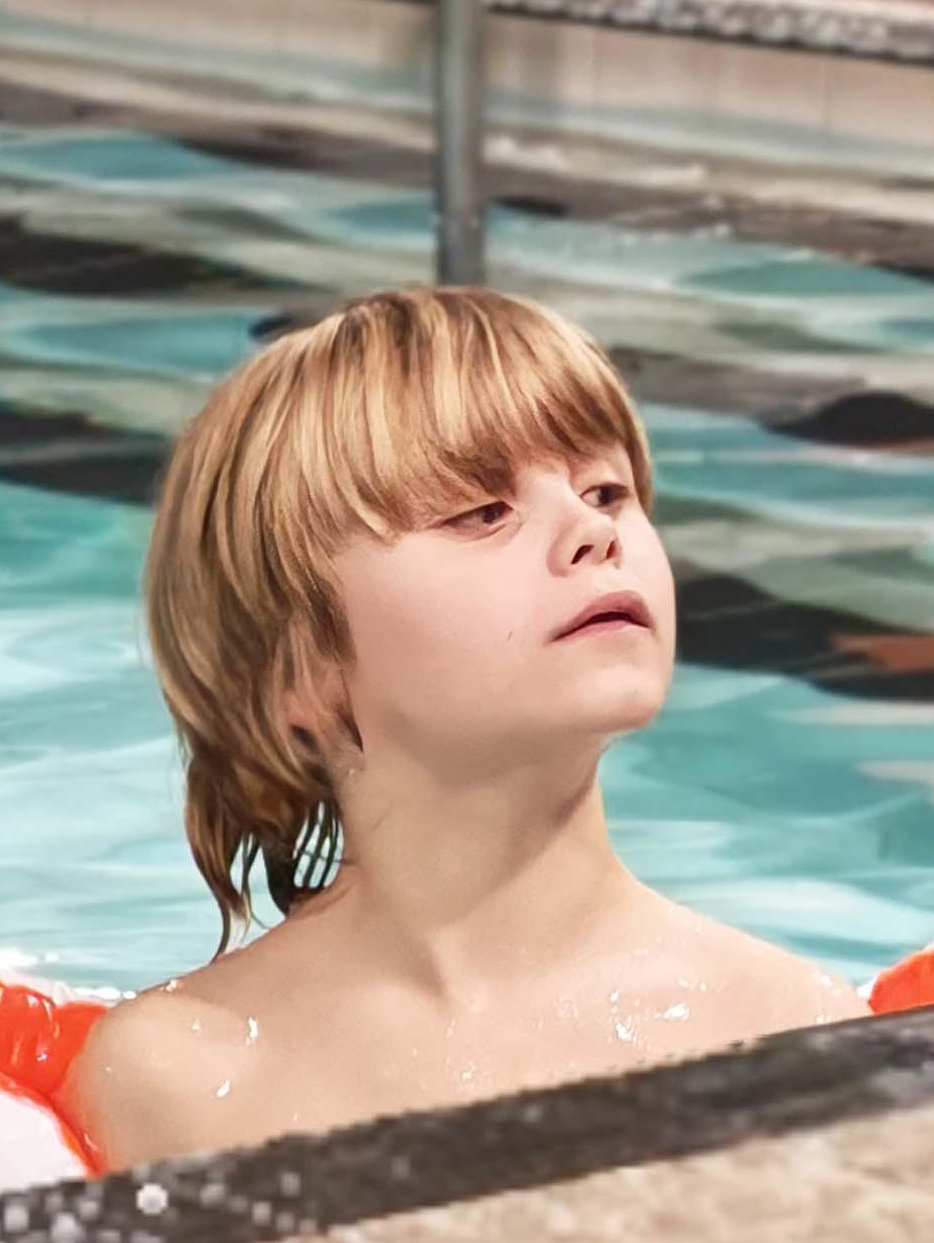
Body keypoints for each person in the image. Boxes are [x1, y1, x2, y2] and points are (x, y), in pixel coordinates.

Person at [63, 285, 866, 1168]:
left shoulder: (789, 1029)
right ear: (299, 671)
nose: (592, 529)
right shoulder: (178, 1079)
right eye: (481, 513)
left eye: (608, 489)